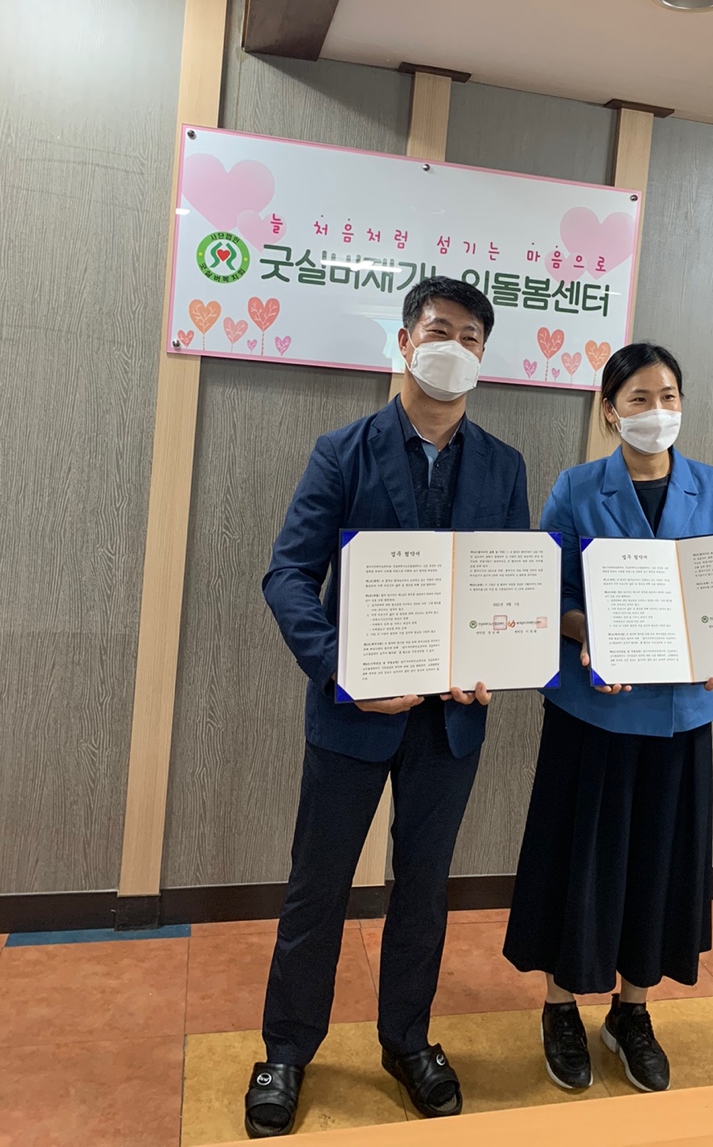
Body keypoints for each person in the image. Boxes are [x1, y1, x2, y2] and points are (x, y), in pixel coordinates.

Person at [244, 277, 529, 1138]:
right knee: (317, 886)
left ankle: (407, 1040)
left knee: (424, 892)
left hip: (451, 721)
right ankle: (286, 1050)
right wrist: (342, 672)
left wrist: (497, 660)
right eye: (439, 331)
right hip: (352, 713)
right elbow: (288, 575)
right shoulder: (342, 451)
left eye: (471, 337)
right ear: (404, 343)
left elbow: (508, 590)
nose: (454, 348)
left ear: (483, 357)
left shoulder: (505, 466)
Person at [502, 342, 713, 1095]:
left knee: (657, 867)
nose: (656, 412)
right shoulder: (577, 488)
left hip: (680, 716)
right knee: (580, 862)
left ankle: (632, 1012)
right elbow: (548, 594)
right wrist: (591, 632)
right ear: (609, 411)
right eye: (638, 399)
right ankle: (560, 1007)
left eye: (668, 397)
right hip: (593, 715)